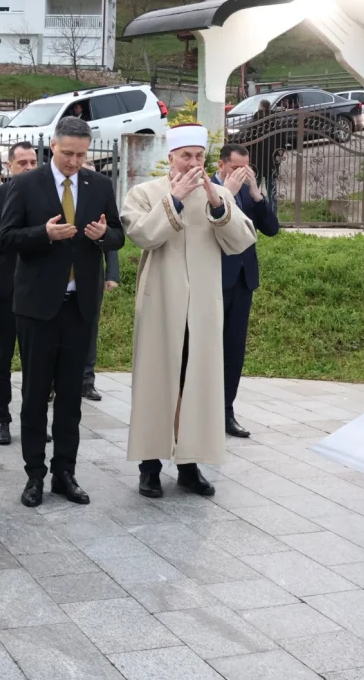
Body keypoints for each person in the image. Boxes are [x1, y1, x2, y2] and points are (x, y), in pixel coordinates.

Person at [121, 124, 255, 499]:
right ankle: (149, 467)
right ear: (171, 158)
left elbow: (242, 240)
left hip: (203, 307)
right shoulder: (145, 193)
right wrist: (175, 201)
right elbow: (142, 235)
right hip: (161, 303)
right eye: (186, 156)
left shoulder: (218, 194)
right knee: (156, 381)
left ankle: (189, 465)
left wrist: (219, 204)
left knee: (195, 382)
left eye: (199, 156)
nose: (193, 163)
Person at [0, 117, 124, 508]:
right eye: (67, 153)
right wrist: (44, 234)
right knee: (36, 395)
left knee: (71, 397)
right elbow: (5, 238)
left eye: (81, 155)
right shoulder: (25, 184)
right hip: (37, 308)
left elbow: (118, 235)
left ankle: (64, 472)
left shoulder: (98, 185)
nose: (73, 161)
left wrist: (103, 236)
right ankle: (34, 474)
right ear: (52, 146)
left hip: (80, 306)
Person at [214, 144, 279, 438]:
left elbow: (272, 229)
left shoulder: (247, 193)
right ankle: (202, 411)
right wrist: (225, 193)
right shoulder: (209, 189)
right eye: (236, 168)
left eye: (246, 168)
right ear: (221, 165)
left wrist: (256, 194)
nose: (242, 174)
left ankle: (226, 411)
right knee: (209, 348)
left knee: (234, 349)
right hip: (215, 279)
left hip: (243, 280)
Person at [0, 141, 37, 445]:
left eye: (32, 162)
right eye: (22, 163)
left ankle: (34, 419)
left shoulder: (46, 195)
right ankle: (0, 419)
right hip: (4, 286)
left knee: (36, 361)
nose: (28, 168)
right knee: (2, 358)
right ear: (10, 166)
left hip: (37, 288)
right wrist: (15, 235)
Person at [80, 162, 118, 402]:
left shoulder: (100, 197)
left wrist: (112, 274)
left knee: (90, 329)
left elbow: (111, 238)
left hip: (91, 277)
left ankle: (86, 381)